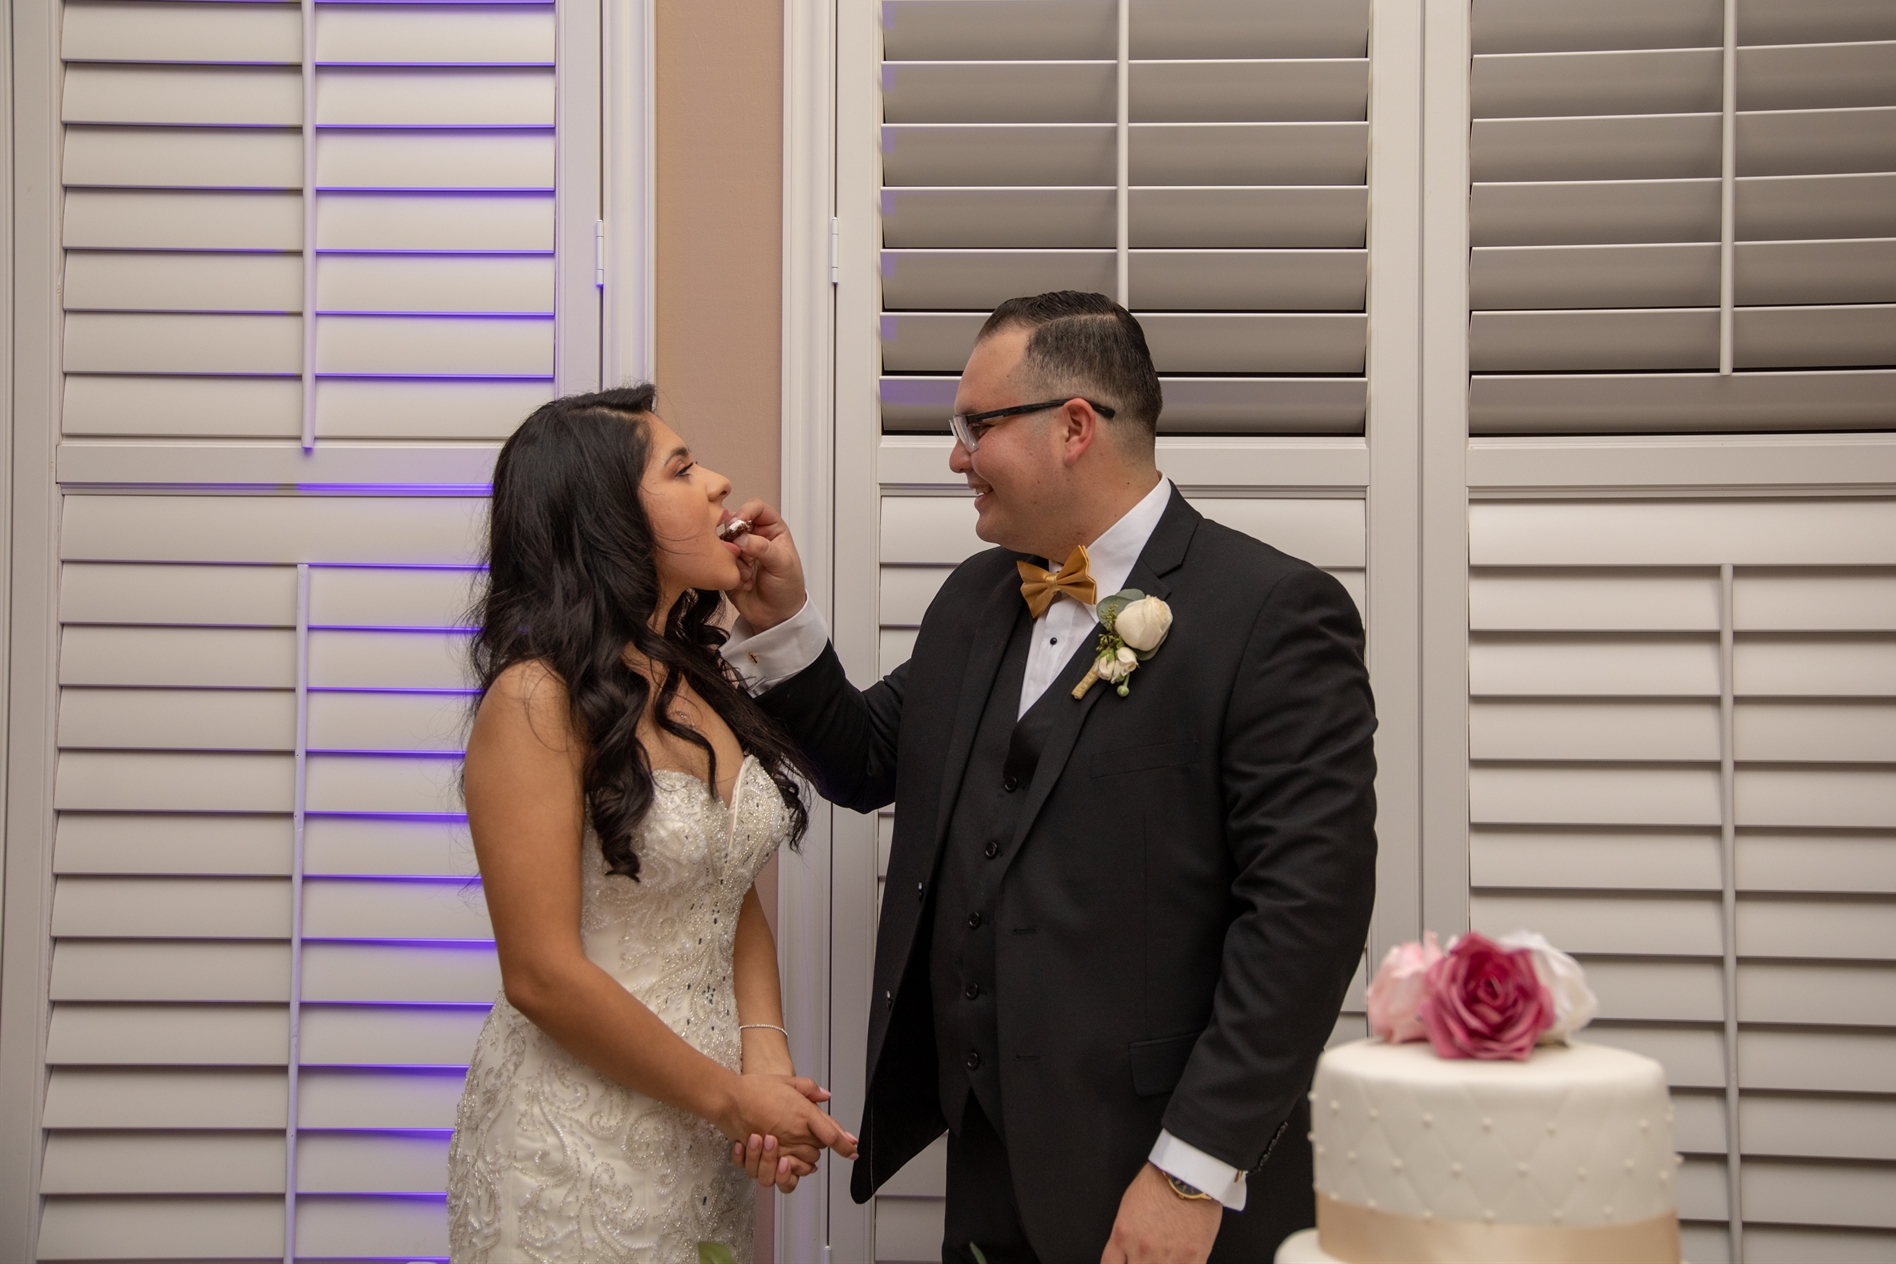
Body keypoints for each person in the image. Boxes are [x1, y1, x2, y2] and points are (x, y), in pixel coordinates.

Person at [723, 293, 1378, 1263]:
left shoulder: (1273, 614)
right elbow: (865, 760)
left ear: (1074, 427)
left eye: (974, 427)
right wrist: (782, 622)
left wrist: (1191, 1172)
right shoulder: (975, 598)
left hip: (1164, 1176)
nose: (956, 458)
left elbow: (1305, 921)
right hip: (988, 1168)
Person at [446, 385, 856, 1264]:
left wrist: (765, 1062)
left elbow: (722, 888)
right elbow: (540, 975)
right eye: (682, 469)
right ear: (606, 520)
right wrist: (732, 1099)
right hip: (571, 1140)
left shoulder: (701, 677)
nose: (718, 485)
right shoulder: (535, 697)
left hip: (700, 1132)